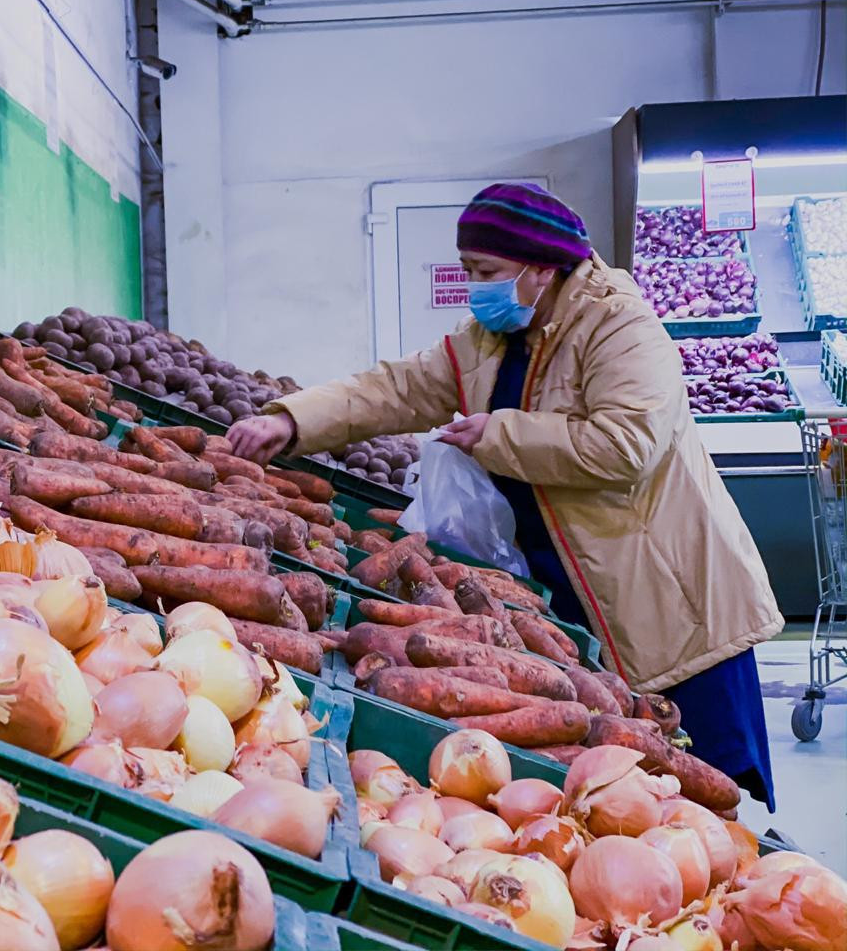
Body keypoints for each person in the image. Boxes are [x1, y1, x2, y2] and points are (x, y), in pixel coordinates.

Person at [228, 182, 781, 808]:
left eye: (487, 271)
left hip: (666, 602)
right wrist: (292, 420)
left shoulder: (619, 326)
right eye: (468, 270)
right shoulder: (491, 341)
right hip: (571, 592)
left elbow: (628, 444)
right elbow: (396, 388)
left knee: (705, 785)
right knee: (619, 781)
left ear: (542, 266)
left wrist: (498, 434)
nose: (475, 286)